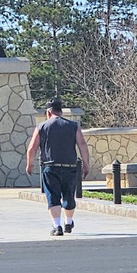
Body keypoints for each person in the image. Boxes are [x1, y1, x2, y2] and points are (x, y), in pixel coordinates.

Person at [26, 97, 91, 236]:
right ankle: (68, 223)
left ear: (48, 112)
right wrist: (86, 165)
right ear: (60, 111)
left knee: (53, 196)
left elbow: (32, 148)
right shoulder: (73, 126)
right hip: (70, 167)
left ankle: (57, 226)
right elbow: (83, 145)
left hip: (50, 167)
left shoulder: (41, 127)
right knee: (69, 196)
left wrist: (29, 164)